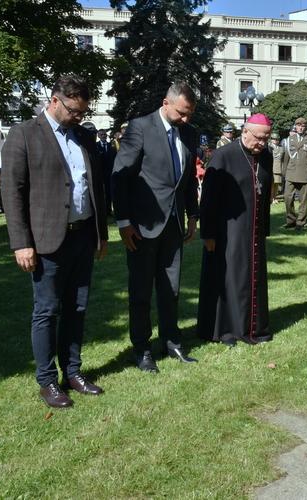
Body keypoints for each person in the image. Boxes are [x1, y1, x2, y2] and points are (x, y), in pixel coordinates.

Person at [1, 74, 109, 408]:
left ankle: (73, 372)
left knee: (77, 308)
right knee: (47, 311)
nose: (79, 117)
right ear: (54, 100)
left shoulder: (84, 136)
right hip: (46, 241)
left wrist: (101, 234)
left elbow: (96, 186)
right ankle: (47, 380)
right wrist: (21, 242)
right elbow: (12, 192)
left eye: (82, 112)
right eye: (74, 111)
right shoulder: (24, 134)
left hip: (82, 236)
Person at [111, 82, 200, 373]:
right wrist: (124, 221)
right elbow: (120, 176)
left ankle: (172, 341)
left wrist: (192, 216)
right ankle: (142, 348)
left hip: (174, 224)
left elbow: (188, 179)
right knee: (140, 292)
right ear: (166, 103)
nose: (185, 118)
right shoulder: (140, 128)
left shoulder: (189, 132)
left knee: (170, 288)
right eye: (181, 112)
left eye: (190, 113)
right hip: (142, 226)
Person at [197, 113, 274, 346]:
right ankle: (227, 329)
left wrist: (264, 227)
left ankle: (253, 326)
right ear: (245, 132)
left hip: (254, 230)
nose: (262, 143)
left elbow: (265, 192)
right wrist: (207, 233)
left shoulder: (266, 155)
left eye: (266, 138)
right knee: (230, 278)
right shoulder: (223, 155)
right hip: (227, 230)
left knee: (252, 277)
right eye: (258, 138)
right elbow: (208, 199)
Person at [282, 117, 307, 230]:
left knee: (303, 200)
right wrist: (284, 172)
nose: (300, 128)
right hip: (291, 172)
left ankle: (301, 222)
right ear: (295, 127)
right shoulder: (289, 139)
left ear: (306, 127)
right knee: (287, 198)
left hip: (304, 173)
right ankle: (291, 220)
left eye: (303, 126)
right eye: (298, 126)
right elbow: (286, 157)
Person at [96, 129, 116, 214]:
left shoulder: (112, 146)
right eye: (101, 135)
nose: (103, 136)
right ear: (98, 136)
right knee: (101, 193)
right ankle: (103, 211)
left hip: (111, 173)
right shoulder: (95, 146)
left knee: (110, 192)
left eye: (104, 134)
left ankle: (110, 210)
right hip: (100, 174)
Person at [269, 132, 283, 203]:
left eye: (277, 139)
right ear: (271, 139)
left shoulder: (281, 148)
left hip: (279, 168)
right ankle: (271, 198)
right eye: (274, 139)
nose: (275, 140)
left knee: (277, 184)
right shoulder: (269, 147)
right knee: (272, 185)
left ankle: (275, 197)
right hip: (271, 168)